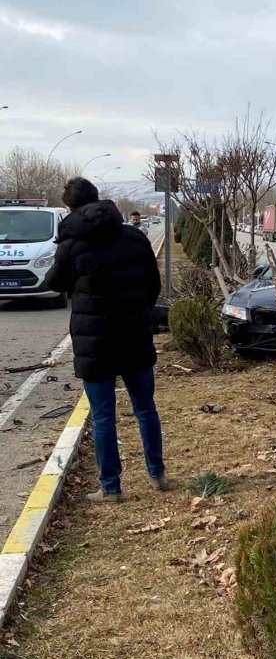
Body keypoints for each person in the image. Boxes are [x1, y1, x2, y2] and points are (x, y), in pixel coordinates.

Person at [45, 177, 167, 504]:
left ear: (69, 207)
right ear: (98, 199)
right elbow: (153, 286)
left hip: (94, 343)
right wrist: (138, 310)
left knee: (103, 415)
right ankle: (157, 474)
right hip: (134, 335)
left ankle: (111, 488)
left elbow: (55, 282)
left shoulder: (71, 244)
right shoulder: (134, 237)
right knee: (145, 408)